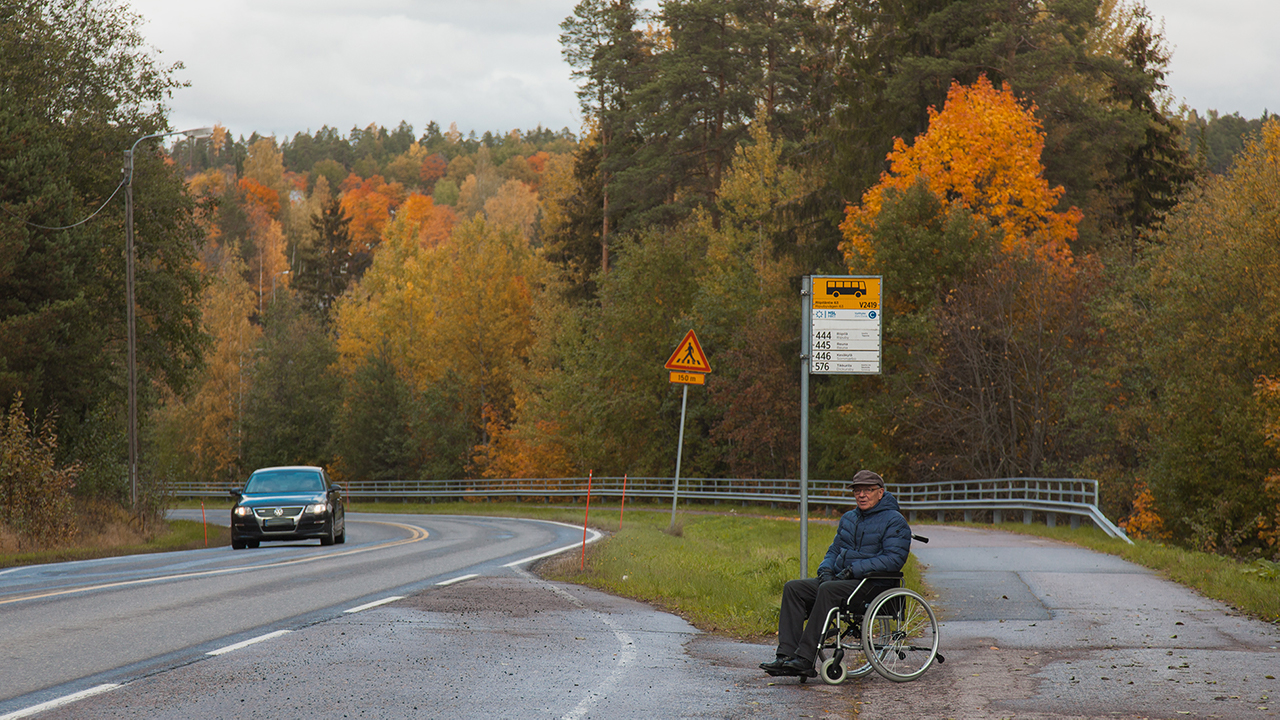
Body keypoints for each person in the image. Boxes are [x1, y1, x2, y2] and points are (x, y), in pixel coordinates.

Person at [761, 469, 912, 678]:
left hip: (872, 584)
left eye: (868, 490)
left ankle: (804, 658)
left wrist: (854, 569)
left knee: (828, 590)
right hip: (843, 581)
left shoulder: (894, 520)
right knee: (794, 588)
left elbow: (893, 559)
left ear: (881, 492)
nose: (862, 495)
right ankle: (785, 656)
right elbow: (834, 550)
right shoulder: (849, 518)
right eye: (858, 490)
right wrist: (825, 570)